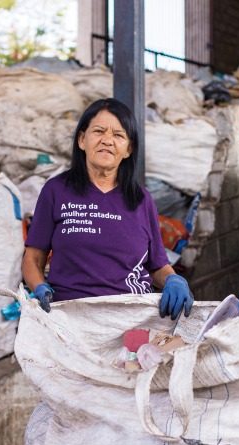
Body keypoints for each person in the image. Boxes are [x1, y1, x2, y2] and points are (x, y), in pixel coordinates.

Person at [22, 98, 193, 320]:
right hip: (70, 314)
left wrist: (173, 280)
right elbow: (33, 258)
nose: (107, 140)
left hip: (133, 315)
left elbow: (158, 266)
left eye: (118, 135)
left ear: (129, 149)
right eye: (99, 131)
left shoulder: (142, 200)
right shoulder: (56, 191)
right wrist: (39, 288)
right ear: (82, 140)